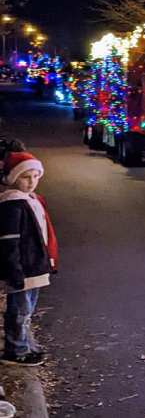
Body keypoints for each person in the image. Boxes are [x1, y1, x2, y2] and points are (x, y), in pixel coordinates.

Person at [0, 151, 58, 366]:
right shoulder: (12, 204)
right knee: (20, 310)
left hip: (34, 265)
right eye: (26, 177)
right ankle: (16, 350)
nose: (32, 182)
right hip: (24, 267)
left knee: (27, 309)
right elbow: (9, 241)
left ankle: (23, 344)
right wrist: (14, 269)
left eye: (35, 176)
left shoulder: (30, 200)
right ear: (13, 178)